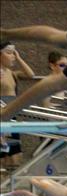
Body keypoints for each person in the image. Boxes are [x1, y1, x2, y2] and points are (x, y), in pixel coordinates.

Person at [0, 41, 35, 169]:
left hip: (12, 116)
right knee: (5, 157)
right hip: (2, 117)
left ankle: (8, 186)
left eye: (14, 53)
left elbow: (30, 75)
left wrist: (19, 58)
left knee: (16, 158)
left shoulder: (11, 73)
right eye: (9, 53)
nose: (13, 56)